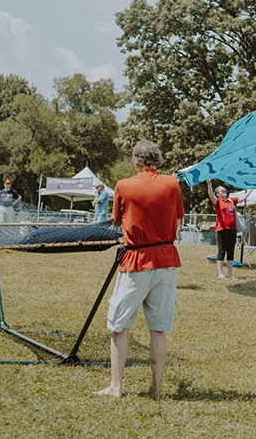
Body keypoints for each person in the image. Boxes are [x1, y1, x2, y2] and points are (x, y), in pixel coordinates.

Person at [96, 139, 184, 399]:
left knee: (119, 326)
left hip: (137, 261)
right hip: (166, 262)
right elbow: (178, 219)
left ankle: (116, 386)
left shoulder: (123, 185)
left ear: (136, 161)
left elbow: (116, 219)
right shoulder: (172, 184)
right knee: (158, 329)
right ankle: (156, 388)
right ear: (157, 160)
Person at [206, 180, 243, 280]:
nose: (224, 192)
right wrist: (209, 185)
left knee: (231, 251)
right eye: (222, 191)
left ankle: (230, 275)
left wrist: (253, 188)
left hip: (232, 229)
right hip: (222, 229)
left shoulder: (231, 201)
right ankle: (221, 274)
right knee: (222, 251)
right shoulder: (217, 202)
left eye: (225, 191)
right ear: (217, 194)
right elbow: (210, 195)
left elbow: (244, 197)